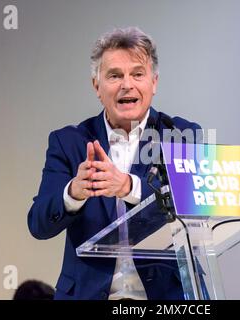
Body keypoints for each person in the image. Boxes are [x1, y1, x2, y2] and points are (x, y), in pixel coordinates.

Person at [27, 27, 202, 300]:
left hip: (166, 296)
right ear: (97, 86)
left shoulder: (181, 136)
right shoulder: (69, 142)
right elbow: (38, 224)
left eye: (137, 74)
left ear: (154, 83)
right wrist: (73, 193)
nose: (127, 84)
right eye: (115, 75)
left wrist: (128, 186)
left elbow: (192, 207)